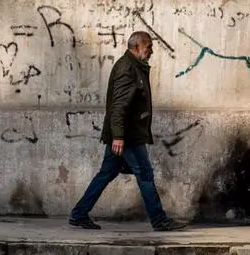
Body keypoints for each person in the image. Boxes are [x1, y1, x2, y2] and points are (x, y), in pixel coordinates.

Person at [69, 31, 186, 232]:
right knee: (145, 175)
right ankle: (159, 220)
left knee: (106, 173)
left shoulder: (135, 67)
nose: (151, 51)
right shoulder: (127, 69)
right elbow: (119, 106)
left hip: (126, 135)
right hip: (128, 137)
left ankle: (79, 213)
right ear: (136, 47)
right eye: (148, 47)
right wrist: (119, 136)